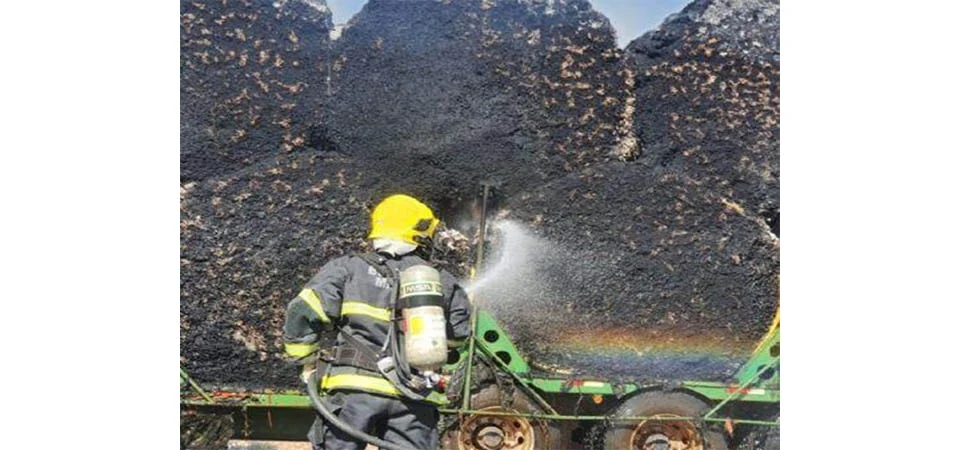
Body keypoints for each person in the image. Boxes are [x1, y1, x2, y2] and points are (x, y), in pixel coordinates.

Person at [283, 194, 472, 450]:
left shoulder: (347, 269)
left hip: (353, 391)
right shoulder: (441, 280)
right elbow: (459, 335)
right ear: (418, 235)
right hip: (413, 395)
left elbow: (303, 312)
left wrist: (307, 362)